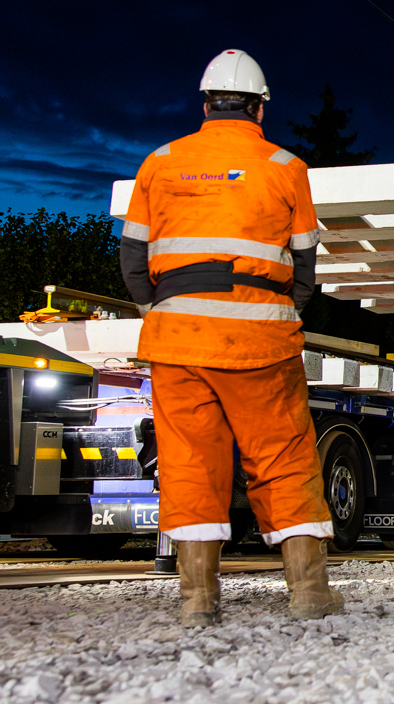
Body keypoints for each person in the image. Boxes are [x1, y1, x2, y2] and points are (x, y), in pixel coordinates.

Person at [121, 49, 344, 626]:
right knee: (284, 457)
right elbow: (303, 265)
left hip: (178, 341)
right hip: (260, 341)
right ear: (260, 109)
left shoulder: (160, 162)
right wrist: (279, 311)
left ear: (205, 104)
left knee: (190, 462)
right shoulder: (284, 166)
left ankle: (197, 600)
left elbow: (133, 259)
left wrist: (167, 310)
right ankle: (310, 594)